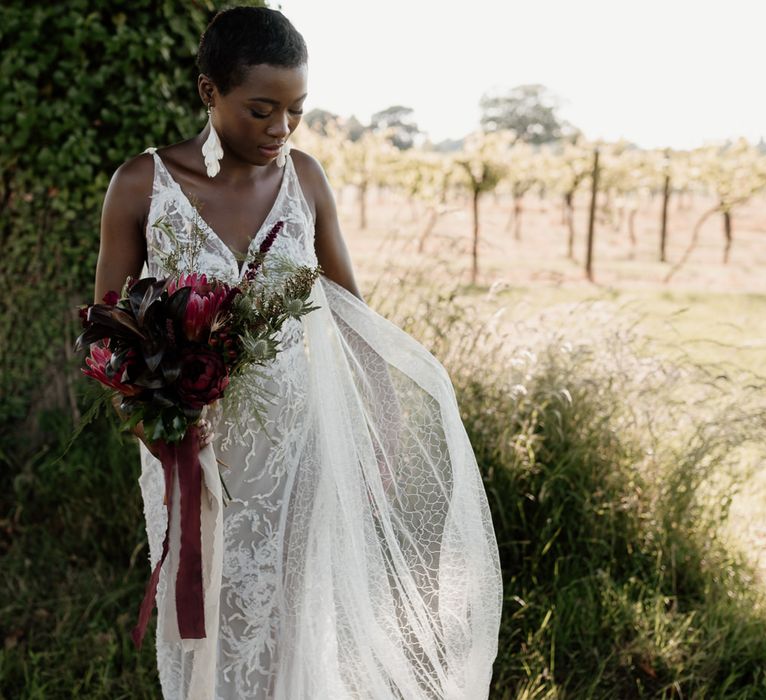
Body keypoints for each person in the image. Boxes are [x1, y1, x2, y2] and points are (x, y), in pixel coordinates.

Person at [94, 6, 502, 699]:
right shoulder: (142, 185)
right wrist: (146, 409)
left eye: (296, 112)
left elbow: (351, 312)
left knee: (292, 605)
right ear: (208, 93)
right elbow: (107, 327)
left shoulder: (305, 182)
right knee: (207, 607)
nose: (279, 129)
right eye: (261, 110)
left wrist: (386, 413)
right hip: (187, 443)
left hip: (298, 440)